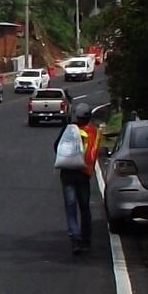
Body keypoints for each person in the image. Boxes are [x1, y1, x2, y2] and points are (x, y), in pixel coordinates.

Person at [54, 105, 103, 252]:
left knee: (71, 206)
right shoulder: (94, 131)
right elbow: (95, 151)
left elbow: (57, 146)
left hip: (68, 172)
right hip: (84, 173)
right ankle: (86, 239)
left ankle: (75, 239)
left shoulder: (69, 129)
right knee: (84, 206)